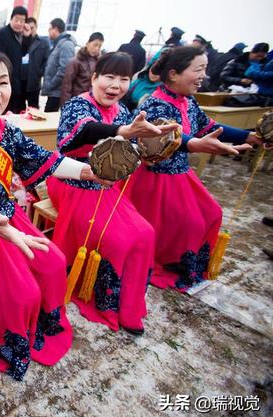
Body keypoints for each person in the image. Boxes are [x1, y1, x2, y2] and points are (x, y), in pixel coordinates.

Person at [0, 51, 105, 380]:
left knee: (53, 264)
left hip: (9, 219)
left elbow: (45, 159)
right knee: (22, 294)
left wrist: (89, 172)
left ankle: (36, 326)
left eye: (3, 82)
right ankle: (5, 340)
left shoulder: (4, 130)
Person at [47, 52, 176, 334]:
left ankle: (127, 306)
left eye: (124, 78)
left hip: (107, 187)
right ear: (94, 78)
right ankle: (104, 300)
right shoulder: (77, 106)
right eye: (109, 76)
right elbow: (83, 133)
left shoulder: (122, 111)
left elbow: (133, 145)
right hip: (73, 181)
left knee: (145, 233)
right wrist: (123, 131)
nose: (115, 84)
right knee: (118, 239)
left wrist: (151, 149)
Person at [128, 46, 262, 291]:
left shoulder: (188, 101)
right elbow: (158, 137)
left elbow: (208, 125)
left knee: (212, 212)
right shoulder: (156, 104)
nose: (203, 76)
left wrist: (247, 136)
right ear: (174, 74)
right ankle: (169, 260)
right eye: (198, 69)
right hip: (157, 180)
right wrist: (194, 144)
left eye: (205, 69)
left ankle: (183, 260)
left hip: (180, 176)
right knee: (192, 222)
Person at [0, 6, 30, 113]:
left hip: (18, 81)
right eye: (16, 20)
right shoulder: (3, 33)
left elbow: (24, 53)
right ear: (11, 19)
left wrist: (27, 37)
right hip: (7, 79)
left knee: (16, 112)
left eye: (22, 21)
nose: (19, 23)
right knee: (5, 112)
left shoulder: (21, 35)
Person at [41, 18, 76, 112]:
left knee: (49, 118)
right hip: (53, 92)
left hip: (57, 92)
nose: (48, 32)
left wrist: (51, 85)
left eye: (50, 29)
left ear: (55, 29)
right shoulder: (59, 43)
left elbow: (64, 70)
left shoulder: (66, 45)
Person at [60, 32, 103, 107]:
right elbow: (67, 86)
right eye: (95, 45)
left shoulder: (98, 63)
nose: (97, 48)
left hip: (90, 103)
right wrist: (66, 106)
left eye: (100, 46)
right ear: (87, 43)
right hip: (75, 101)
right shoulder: (76, 61)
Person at [21, 17, 49, 109]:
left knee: (33, 108)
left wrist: (39, 72)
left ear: (36, 27)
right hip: (20, 80)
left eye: (32, 28)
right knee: (18, 108)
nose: (29, 30)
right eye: (26, 28)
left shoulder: (43, 42)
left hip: (34, 81)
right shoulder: (20, 41)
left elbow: (47, 60)